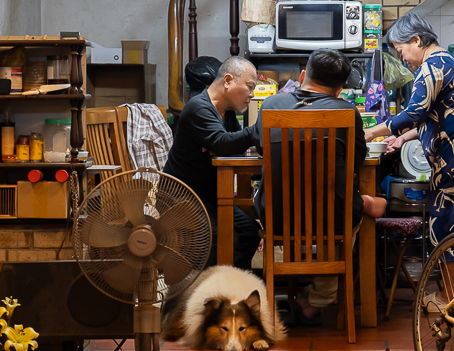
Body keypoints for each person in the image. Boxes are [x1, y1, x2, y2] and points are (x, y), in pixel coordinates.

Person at [254, 49, 386, 323]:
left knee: (336, 207)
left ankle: (300, 295)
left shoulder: (270, 106)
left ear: (303, 76)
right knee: (349, 210)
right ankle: (321, 298)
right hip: (332, 220)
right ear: (340, 90)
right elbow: (357, 160)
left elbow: (260, 148)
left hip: (277, 218)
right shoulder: (347, 112)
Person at [363, 13, 454, 297]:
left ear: (417, 40)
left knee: (447, 223)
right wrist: (403, 136)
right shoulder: (446, 62)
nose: (402, 57)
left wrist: (371, 133)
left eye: (401, 49)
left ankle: (450, 298)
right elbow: (437, 116)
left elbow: (414, 113)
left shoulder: (433, 66)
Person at [163, 56, 261, 269]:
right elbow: (225, 144)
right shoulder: (198, 108)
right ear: (228, 81)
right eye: (250, 86)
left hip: (208, 195)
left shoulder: (227, 113)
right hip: (181, 196)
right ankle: (212, 293)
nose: (252, 95)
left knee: (250, 231)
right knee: (217, 234)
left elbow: (230, 145)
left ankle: (233, 287)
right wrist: (259, 128)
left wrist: (223, 144)